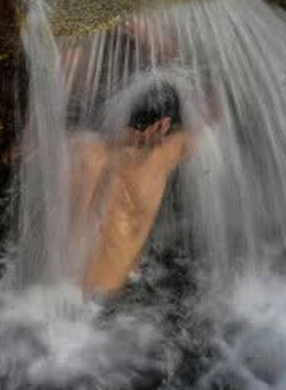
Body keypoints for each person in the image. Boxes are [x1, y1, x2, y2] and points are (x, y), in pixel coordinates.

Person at [69, 82, 194, 296]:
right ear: (163, 125)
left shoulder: (86, 151)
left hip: (80, 294)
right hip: (106, 299)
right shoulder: (163, 156)